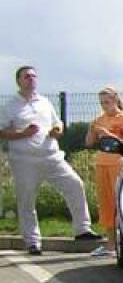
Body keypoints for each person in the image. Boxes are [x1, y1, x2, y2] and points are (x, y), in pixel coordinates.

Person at [0, 65, 100, 255]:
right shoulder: (11, 106)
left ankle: (82, 229)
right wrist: (23, 133)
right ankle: (32, 242)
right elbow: (1, 131)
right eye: (26, 76)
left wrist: (58, 130)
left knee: (75, 184)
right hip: (24, 160)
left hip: (52, 157)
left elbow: (57, 123)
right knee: (27, 200)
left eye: (33, 76)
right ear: (18, 81)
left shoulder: (44, 102)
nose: (31, 79)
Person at [85, 85, 123, 257]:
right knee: (105, 203)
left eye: (107, 101)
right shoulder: (99, 119)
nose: (105, 106)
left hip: (117, 162)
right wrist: (92, 129)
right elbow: (89, 143)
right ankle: (110, 244)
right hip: (102, 162)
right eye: (102, 103)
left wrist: (108, 134)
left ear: (115, 100)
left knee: (119, 202)